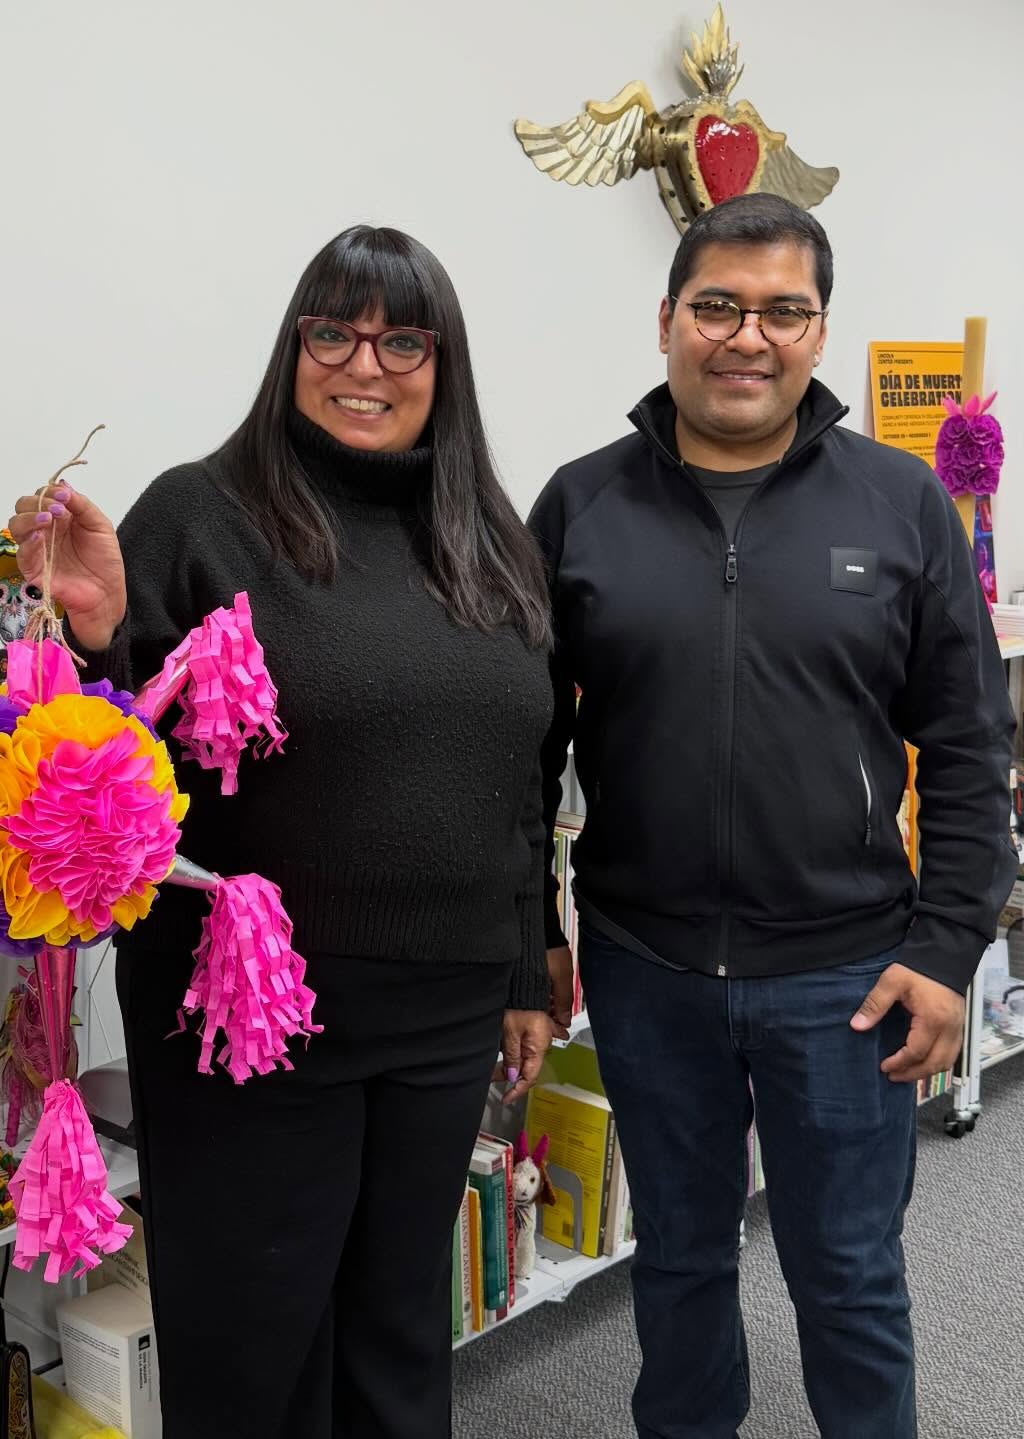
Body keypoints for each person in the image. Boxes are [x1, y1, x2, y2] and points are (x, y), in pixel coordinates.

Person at [6, 224, 567, 1438]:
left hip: (443, 1006)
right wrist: (97, 639)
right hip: (249, 1014)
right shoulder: (198, 514)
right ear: (292, 346)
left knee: (402, 1326)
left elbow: (522, 781)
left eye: (401, 337)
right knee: (256, 1341)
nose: (363, 362)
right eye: (333, 330)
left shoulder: (488, 535)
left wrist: (525, 963)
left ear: (442, 359)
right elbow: (100, 764)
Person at [530, 192, 1015, 1439]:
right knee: (679, 1267)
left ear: (818, 330)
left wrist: (948, 945)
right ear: (666, 321)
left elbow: (967, 741)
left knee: (849, 1279)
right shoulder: (579, 507)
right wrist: (531, 933)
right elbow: (520, 752)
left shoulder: (900, 504)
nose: (748, 337)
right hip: (646, 968)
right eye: (719, 306)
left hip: (846, 974)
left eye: (783, 311)